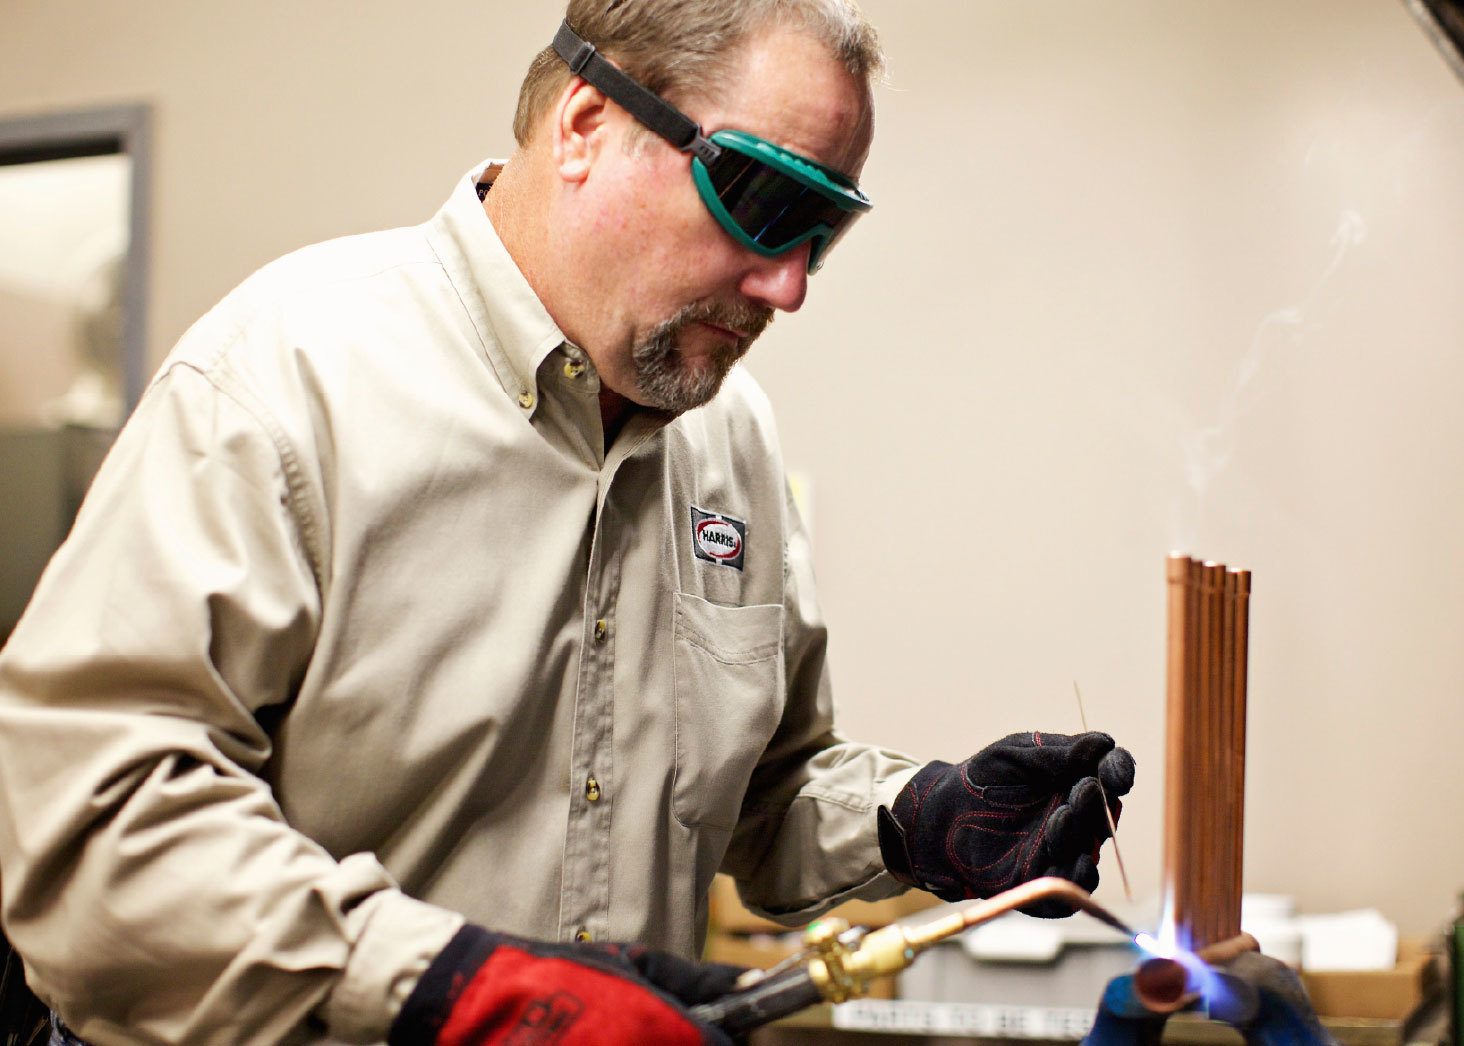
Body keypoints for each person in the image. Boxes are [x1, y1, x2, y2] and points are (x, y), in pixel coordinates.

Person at [0, 2, 1135, 1043]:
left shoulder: (726, 438)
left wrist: (912, 817)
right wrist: (448, 982)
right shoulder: (284, 380)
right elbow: (92, 838)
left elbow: (760, 791)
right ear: (588, 123)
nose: (790, 286)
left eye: (823, 230)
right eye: (769, 199)